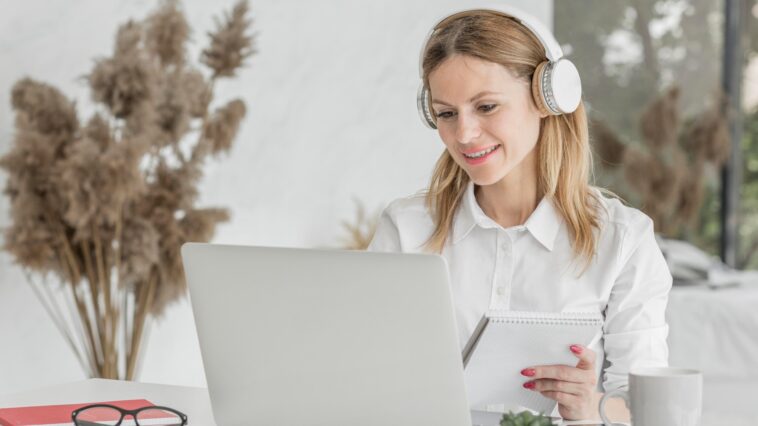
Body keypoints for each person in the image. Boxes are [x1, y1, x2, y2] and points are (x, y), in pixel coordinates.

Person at [366, 5, 671, 422]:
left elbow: (648, 408)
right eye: (446, 113)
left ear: (548, 97)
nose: (464, 134)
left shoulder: (622, 239)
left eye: (487, 107)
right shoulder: (405, 228)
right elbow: (364, 376)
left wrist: (591, 407)